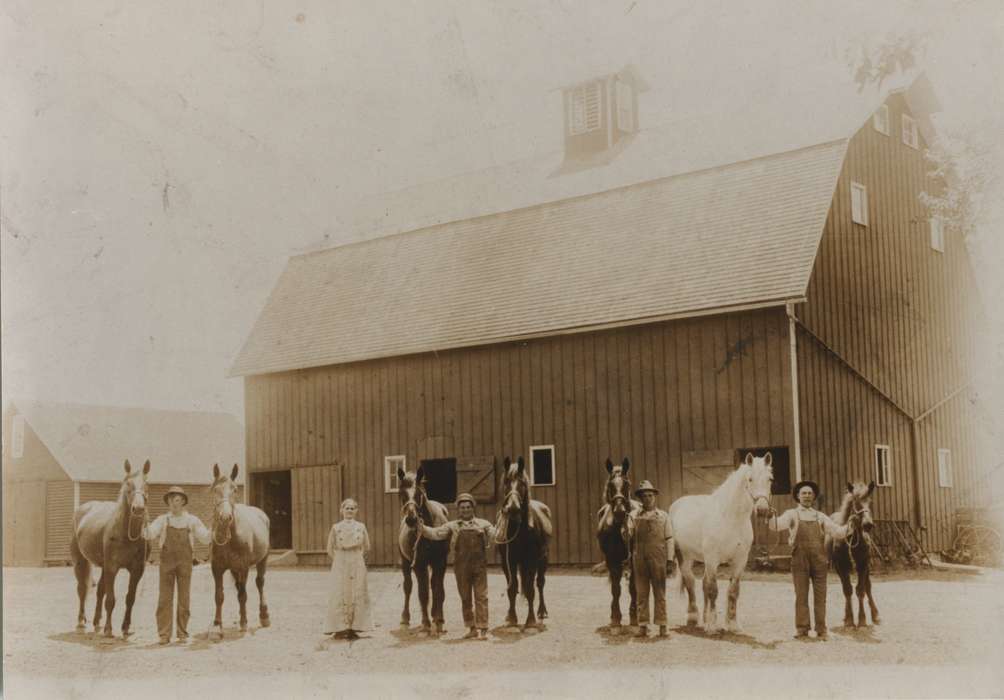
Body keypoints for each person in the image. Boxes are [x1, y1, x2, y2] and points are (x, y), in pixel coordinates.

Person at [769, 480, 856, 640]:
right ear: (797, 496)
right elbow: (775, 526)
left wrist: (851, 525)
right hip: (799, 560)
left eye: (810, 493)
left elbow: (837, 532)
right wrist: (769, 514)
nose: (807, 496)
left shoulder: (821, 517)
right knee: (801, 595)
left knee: (820, 596)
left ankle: (821, 629)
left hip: (819, 560)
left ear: (814, 496)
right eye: (804, 493)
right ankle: (802, 629)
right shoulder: (791, 514)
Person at [418, 493, 497, 641]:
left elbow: (496, 535)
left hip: (479, 566)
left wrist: (501, 527)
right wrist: (420, 526)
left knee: (481, 596)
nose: (465, 510)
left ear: (473, 508)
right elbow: (435, 534)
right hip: (461, 567)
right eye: (462, 508)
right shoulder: (451, 526)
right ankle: (472, 628)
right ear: (458, 510)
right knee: (465, 597)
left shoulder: (483, 524)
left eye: (468, 507)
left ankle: (483, 628)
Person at [145, 486, 212, 644]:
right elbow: (149, 534)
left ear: (183, 502)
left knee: (184, 599)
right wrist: (144, 522)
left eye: (177, 500)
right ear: (168, 502)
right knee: (164, 599)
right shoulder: (162, 520)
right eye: (170, 500)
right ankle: (164, 634)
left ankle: (182, 633)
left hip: (185, 563)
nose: (173, 503)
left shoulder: (192, 520)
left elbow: (206, 538)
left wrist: (214, 528)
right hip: (166, 563)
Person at [324, 498, 373, 640]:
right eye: (347, 508)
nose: (350, 511)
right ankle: (340, 628)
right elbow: (329, 548)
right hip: (340, 561)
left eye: (352, 508)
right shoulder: (336, 527)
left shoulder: (361, 526)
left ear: (356, 511)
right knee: (340, 591)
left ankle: (355, 627)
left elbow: (367, 546)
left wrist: (356, 557)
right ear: (341, 511)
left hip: (357, 561)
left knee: (357, 591)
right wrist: (340, 559)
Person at [632, 480, 674, 638]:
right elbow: (628, 537)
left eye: (650, 495)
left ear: (655, 497)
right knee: (641, 593)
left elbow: (670, 538)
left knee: (660, 592)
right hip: (640, 560)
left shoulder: (663, 516)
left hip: (658, 560)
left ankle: (662, 625)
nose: (647, 498)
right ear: (640, 499)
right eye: (644, 496)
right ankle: (643, 626)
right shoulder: (634, 517)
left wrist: (670, 561)